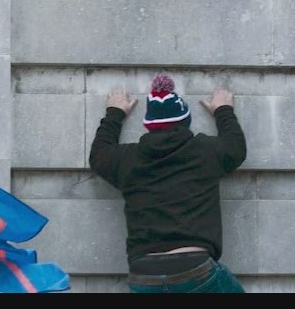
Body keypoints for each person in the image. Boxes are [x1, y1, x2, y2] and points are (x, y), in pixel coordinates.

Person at [89, 74, 248, 294]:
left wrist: (114, 113)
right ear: (185, 122)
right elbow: (235, 147)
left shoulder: (128, 159)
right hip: (195, 270)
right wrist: (223, 110)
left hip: (144, 275)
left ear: (149, 126)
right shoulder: (205, 151)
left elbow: (98, 155)